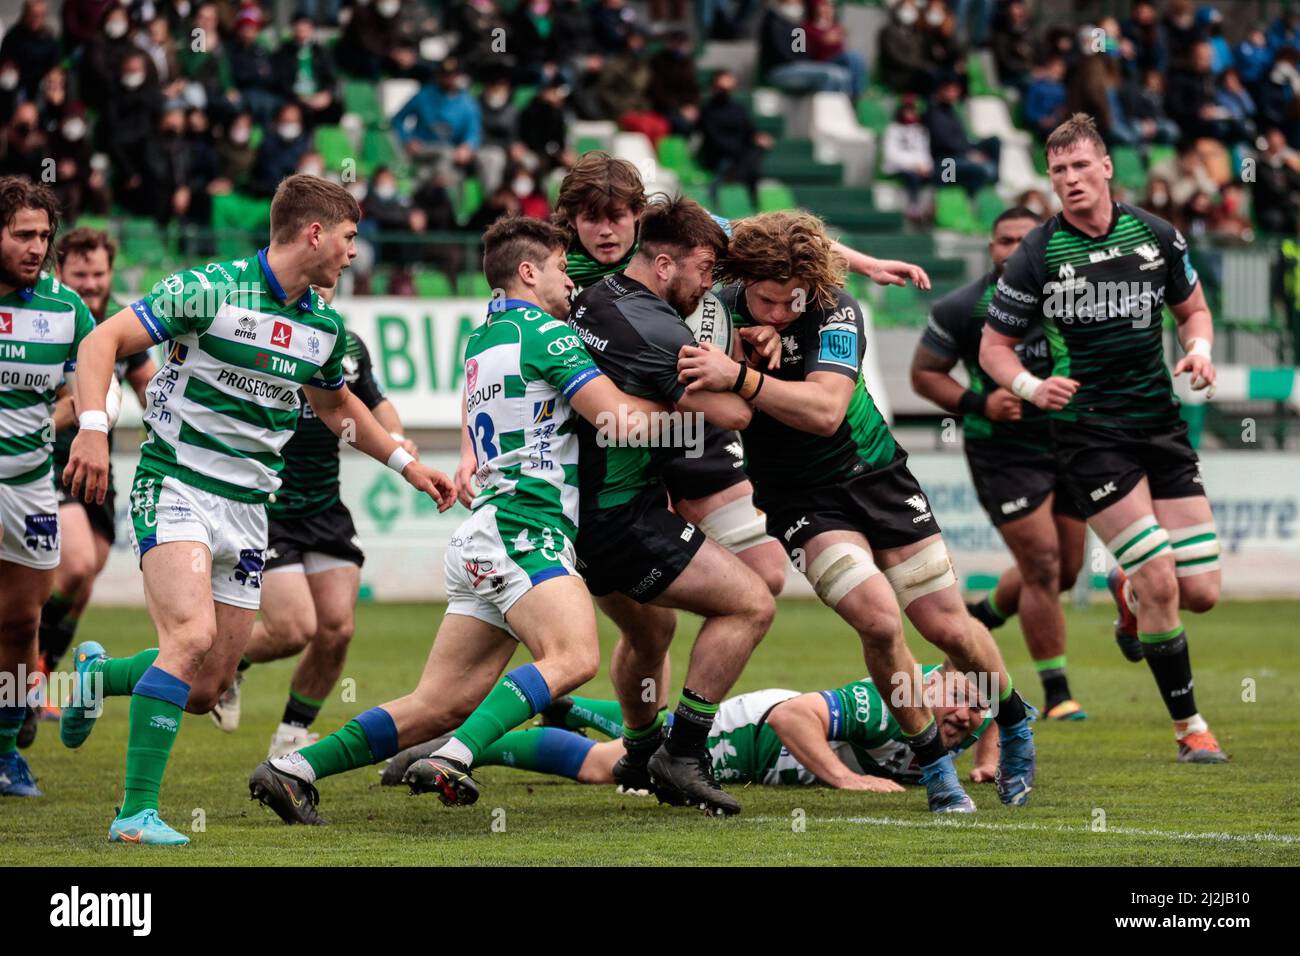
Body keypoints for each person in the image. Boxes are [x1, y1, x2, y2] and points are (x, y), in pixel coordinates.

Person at [58, 175, 455, 845]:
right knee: (188, 639)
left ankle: (98, 675)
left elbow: (337, 409)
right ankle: (134, 815)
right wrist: (94, 428)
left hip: (248, 511)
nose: (354, 254)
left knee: (209, 685)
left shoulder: (322, 328)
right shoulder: (208, 288)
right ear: (314, 233)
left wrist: (407, 464)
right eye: (350, 238)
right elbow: (100, 345)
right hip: (176, 484)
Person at [246, 215, 666, 824]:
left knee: (440, 703)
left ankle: (293, 769)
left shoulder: (482, 338)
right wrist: (696, 406)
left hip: (486, 534)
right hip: (527, 524)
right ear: (528, 272)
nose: (571, 279)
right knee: (575, 657)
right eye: (558, 266)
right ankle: (457, 757)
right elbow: (618, 420)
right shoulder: (549, 336)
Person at [677, 211, 1039, 812]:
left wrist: (738, 374)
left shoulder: (836, 309)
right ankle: (936, 766)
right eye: (767, 301)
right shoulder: (718, 305)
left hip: (876, 474)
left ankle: (1016, 722)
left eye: (793, 302)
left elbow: (824, 411)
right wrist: (735, 355)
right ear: (745, 280)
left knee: (946, 626)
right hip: (800, 497)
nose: (780, 313)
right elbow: (727, 224)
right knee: (877, 620)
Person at [980, 113, 1227, 765]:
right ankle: (1191, 730)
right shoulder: (1038, 253)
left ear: (1106, 167)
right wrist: (1032, 389)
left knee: (1201, 592)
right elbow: (993, 347)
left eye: (1080, 166)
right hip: (1091, 436)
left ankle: (1125, 594)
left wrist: (1198, 349)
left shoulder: (1155, 235)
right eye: (1057, 170)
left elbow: (1193, 308)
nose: (1069, 179)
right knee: (1161, 576)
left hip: (1160, 424)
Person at [563, 196, 776, 814]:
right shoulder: (658, 330)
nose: (709, 285)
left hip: (578, 507)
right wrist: (739, 370)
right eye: (705, 270)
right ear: (662, 264)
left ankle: (638, 748)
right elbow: (734, 415)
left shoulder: (592, 295)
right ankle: (681, 753)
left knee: (652, 629)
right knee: (751, 603)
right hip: (622, 517)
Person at [211, 288, 416, 760]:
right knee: (292, 628)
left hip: (324, 505)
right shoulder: (254, 335)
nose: (320, 289)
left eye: (327, 283)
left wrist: (398, 437)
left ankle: (291, 736)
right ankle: (229, 665)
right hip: (265, 508)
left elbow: (374, 401)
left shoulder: (345, 345)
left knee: (337, 629)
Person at [910, 207, 1087, 720]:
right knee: (1043, 564)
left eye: (1023, 240)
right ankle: (1057, 695)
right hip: (1002, 450)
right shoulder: (963, 307)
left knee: (1068, 572)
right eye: (1003, 240)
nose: (1012, 249)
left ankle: (980, 615)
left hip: (1069, 442)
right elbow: (924, 375)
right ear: (990, 248)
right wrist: (979, 404)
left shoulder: (1073, 298)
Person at [384, 664, 1000, 794]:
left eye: (978, 708)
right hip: (757, 736)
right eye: (959, 698)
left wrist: (989, 758)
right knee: (611, 766)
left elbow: (994, 712)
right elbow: (792, 716)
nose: (968, 717)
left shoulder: (965, 719)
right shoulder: (897, 699)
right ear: (932, 677)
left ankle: (568, 705)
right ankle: (461, 747)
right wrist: (845, 781)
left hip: (762, 737)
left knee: (640, 730)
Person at [29, 229, 157, 743]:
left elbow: (149, 386)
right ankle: (28, 671)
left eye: (99, 274)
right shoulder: (52, 317)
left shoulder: (122, 325)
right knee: (76, 562)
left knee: (86, 576)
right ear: (61, 273)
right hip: (47, 461)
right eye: (79, 275)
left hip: (98, 466)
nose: (90, 284)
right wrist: (76, 416)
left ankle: (39, 673)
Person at [0, 178, 97, 797]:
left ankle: (7, 749)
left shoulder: (66, 309)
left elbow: (84, 385)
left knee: (19, 622)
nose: (36, 247)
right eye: (22, 235)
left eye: (44, 235)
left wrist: (86, 425)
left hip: (30, 485)